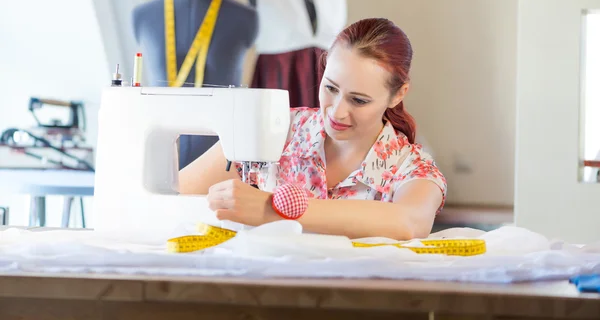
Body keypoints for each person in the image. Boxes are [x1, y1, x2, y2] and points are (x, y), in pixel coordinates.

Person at [179, 18, 447, 240]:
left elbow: (409, 222)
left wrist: (270, 210)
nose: (337, 111)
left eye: (359, 100)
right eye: (330, 88)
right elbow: (177, 191)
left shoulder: (412, 167)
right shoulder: (275, 129)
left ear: (398, 94)